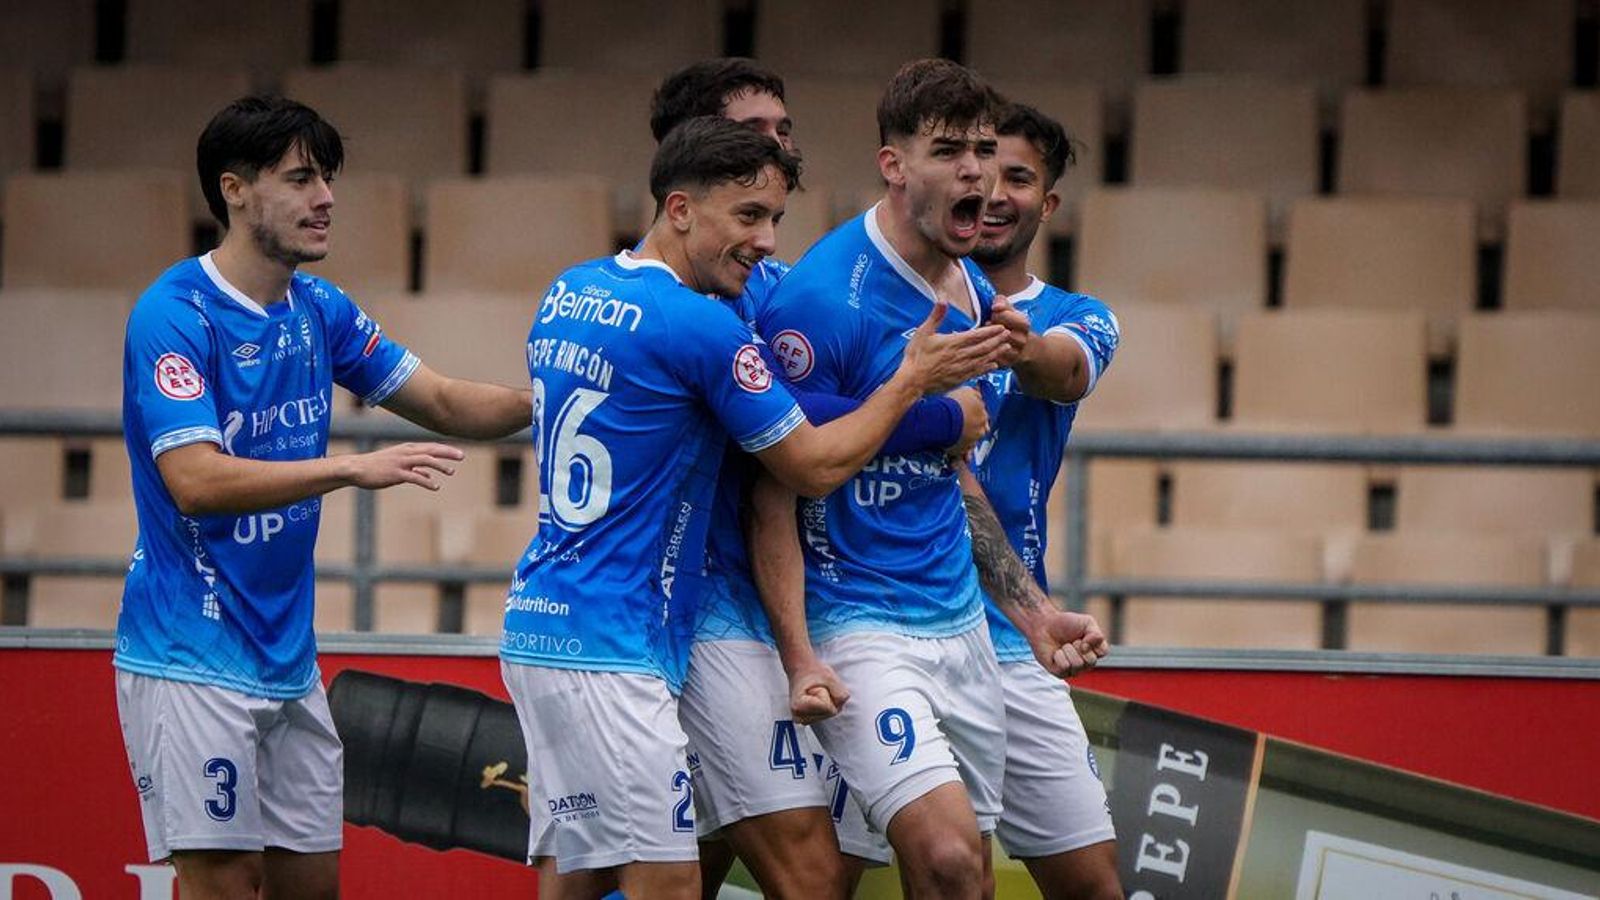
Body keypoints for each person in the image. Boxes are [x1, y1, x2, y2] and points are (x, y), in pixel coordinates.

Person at [499, 116, 1008, 900]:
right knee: (668, 883)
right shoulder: (705, 326)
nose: (767, 241)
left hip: (547, 616)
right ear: (679, 209)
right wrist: (913, 385)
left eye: (773, 218)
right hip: (617, 635)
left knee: (588, 871)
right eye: (747, 217)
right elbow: (810, 464)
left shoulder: (573, 289)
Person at [114, 96, 534, 899]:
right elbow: (195, 482)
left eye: (327, 178)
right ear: (234, 190)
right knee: (226, 882)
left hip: (287, 662)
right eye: (301, 178)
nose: (327, 197)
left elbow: (444, 402)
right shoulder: (172, 316)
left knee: (313, 887)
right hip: (189, 658)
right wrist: (347, 468)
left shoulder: (321, 310)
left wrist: (570, 394)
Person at [749, 60, 1105, 900]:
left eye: (984, 149)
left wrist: (1034, 612)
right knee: (940, 856)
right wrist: (800, 654)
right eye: (949, 151)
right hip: (859, 627)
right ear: (894, 164)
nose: (975, 171)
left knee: (962, 878)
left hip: (962, 628)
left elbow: (957, 480)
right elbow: (772, 485)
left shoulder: (972, 288)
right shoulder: (822, 301)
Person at [647, 58, 989, 900]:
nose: (780, 147)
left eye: (786, 130)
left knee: (710, 867)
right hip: (689, 608)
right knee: (793, 872)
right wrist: (942, 413)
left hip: (762, 601)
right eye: (753, 135)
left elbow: (814, 406)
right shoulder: (678, 307)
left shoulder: (763, 279)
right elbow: (799, 452)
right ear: (691, 160)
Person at [966, 102, 1123, 899]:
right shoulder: (887, 297)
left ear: (1047, 202)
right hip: (887, 619)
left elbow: (1062, 371)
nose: (994, 192)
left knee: (1093, 884)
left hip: (1013, 634)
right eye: (981, 169)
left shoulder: (1081, 317)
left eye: (1019, 178)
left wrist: (1011, 335)